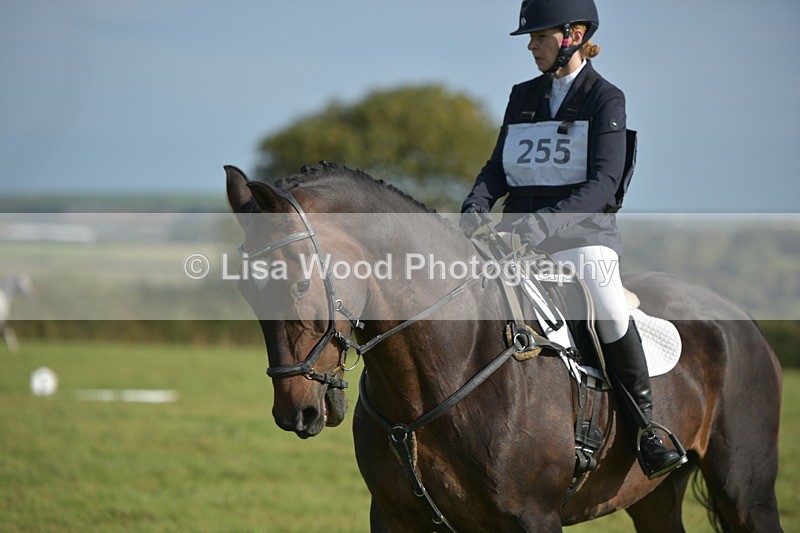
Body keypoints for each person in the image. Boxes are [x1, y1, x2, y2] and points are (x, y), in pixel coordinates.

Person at [459, 0, 687, 479]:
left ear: (574, 35)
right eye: (532, 37)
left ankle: (647, 428)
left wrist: (544, 224)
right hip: (516, 236)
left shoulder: (605, 98)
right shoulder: (523, 95)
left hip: (582, 237)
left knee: (607, 305)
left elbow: (603, 184)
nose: (531, 46)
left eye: (539, 36)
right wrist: (477, 202)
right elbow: (498, 167)